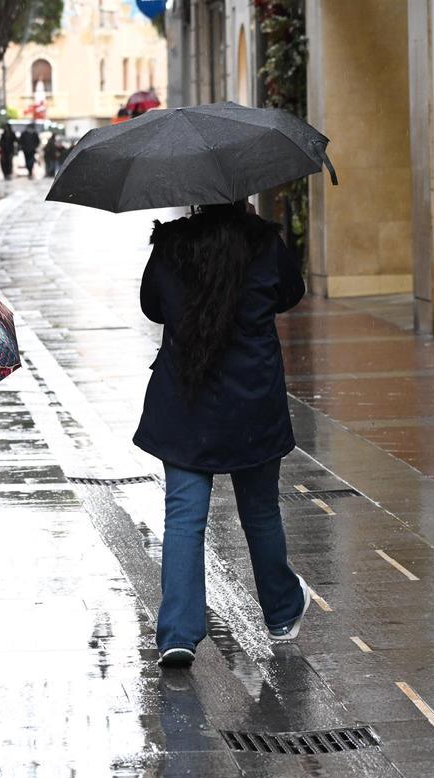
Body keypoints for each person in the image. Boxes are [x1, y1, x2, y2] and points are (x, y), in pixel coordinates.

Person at [133, 201, 309, 669]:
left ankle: (177, 632)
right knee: (261, 512)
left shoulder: (171, 246)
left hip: (186, 399)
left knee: (184, 518)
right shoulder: (264, 244)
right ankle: (281, 611)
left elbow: (152, 307)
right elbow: (291, 293)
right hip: (251, 399)